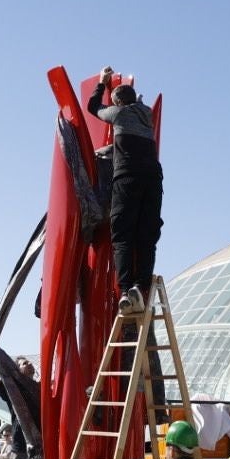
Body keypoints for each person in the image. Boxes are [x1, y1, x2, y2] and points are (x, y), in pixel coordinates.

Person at [88, 66, 164, 316]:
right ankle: (140, 289)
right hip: (153, 179)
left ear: (118, 104)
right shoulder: (147, 115)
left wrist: (101, 82)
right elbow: (135, 106)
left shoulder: (119, 115)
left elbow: (93, 107)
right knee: (146, 236)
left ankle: (124, 291)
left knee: (121, 235)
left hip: (127, 178)